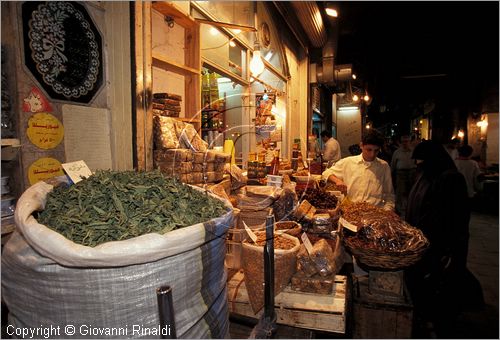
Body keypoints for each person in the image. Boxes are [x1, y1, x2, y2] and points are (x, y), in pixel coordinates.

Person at [405, 140, 484, 334]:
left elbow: (455, 219)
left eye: (421, 161)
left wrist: (448, 251)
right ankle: (424, 317)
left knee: (440, 288)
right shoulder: (425, 175)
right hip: (421, 244)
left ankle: (439, 325)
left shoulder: (451, 179)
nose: (418, 165)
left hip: (440, 247)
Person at [322, 130, 395, 211]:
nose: (372, 154)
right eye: (369, 150)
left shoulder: (384, 166)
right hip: (350, 210)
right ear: (361, 145)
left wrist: (387, 212)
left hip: (375, 213)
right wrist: (337, 181)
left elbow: (389, 196)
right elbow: (325, 173)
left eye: (376, 150)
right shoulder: (348, 162)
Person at [390, 135, 416, 216]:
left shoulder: (413, 151)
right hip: (401, 174)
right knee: (400, 193)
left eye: (407, 141)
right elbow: (393, 165)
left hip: (412, 173)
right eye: (403, 142)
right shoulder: (397, 152)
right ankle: (400, 211)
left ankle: (410, 210)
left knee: (411, 192)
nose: (405, 143)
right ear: (401, 143)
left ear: (410, 142)